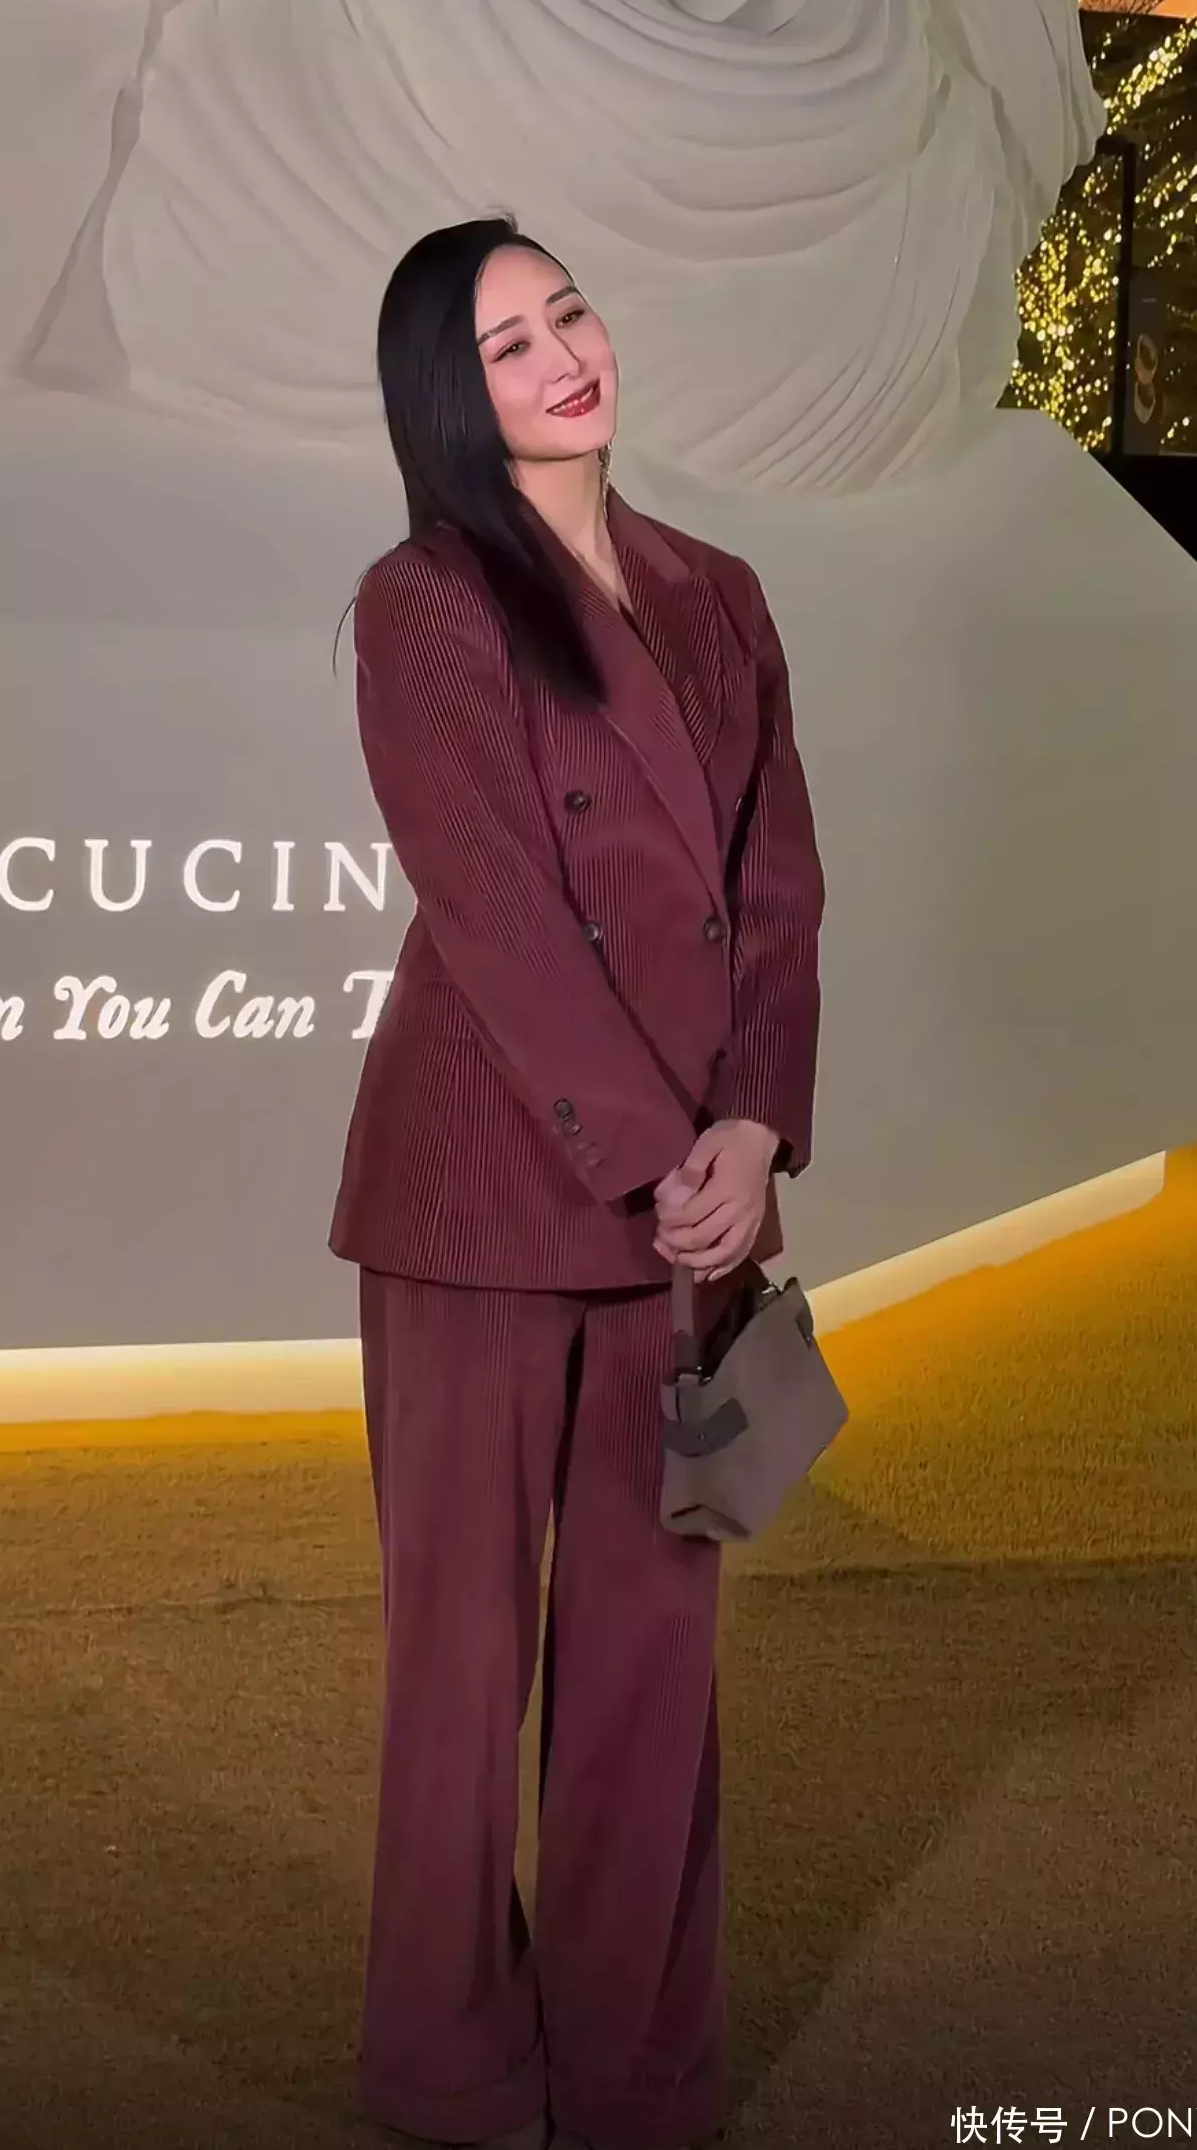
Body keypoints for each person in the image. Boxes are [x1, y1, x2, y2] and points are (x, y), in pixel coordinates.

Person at [329, 217, 825, 2150]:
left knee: (650, 1669)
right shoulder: (424, 600)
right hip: (479, 1193)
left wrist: (754, 1129)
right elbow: (498, 916)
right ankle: (449, 2068)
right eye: (508, 343)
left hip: (694, 1193)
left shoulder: (722, 590)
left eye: (570, 311)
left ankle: (635, 2072)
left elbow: (778, 886)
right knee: (460, 1671)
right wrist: (659, 1155)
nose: (563, 355)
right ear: (450, 400)